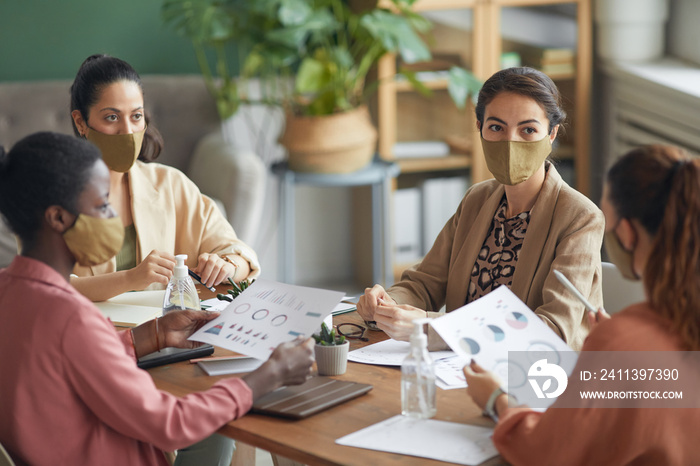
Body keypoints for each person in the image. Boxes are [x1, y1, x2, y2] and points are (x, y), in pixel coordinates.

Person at [0, 132, 315, 466]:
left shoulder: (9, 289)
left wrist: (152, 335)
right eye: (102, 205)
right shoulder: (72, 318)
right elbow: (171, 424)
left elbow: (69, 358)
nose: (114, 218)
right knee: (230, 409)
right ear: (58, 218)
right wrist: (269, 375)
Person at [464, 144, 700, 465]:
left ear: (627, 234)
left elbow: (544, 452)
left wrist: (496, 398)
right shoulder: (637, 339)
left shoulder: (622, 343)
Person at [357, 67, 603, 350]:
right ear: (480, 128)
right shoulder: (477, 199)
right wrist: (388, 304)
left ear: (551, 134)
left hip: (536, 379)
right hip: (461, 370)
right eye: (496, 127)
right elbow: (424, 284)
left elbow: (552, 332)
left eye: (528, 130)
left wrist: (428, 328)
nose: (511, 142)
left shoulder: (581, 218)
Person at [68, 54, 260, 301]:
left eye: (136, 116)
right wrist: (130, 279)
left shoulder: (171, 184)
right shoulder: (54, 195)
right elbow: (43, 286)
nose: (127, 131)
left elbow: (241, 257)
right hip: (88, 331)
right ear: (81, 122)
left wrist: (227, 266)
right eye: (112, 117)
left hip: (162, 331)